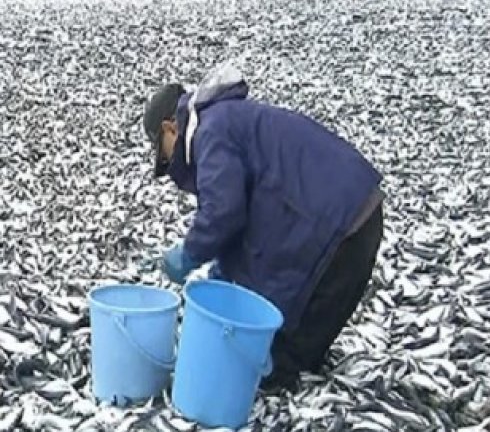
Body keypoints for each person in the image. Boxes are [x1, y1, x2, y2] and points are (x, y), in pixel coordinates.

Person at [143, 60, 384, 391]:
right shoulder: (224, 122)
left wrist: (189, 252)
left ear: (171, 129)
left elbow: (223, 211)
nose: (167, 162)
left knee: (284, 359)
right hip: (348, 215)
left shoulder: (211, 132)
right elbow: (240, 224)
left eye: (162, 151)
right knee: (287, 345)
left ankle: (296, 422)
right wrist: (221, 280)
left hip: (341, 224)